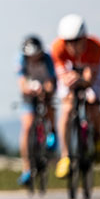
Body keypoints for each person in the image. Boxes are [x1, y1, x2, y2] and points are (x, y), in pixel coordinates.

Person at [51, 14, 100, 179]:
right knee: (67, 109)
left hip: (91, 71)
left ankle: (97, 136)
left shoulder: (95, 47)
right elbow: (62, 77)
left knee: (93, 103)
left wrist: (83, 81)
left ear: (84, 38)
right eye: (68, 42)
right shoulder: (57, 48)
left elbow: (90, 80)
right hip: (71, 71)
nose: (73, 46)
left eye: (77, 41)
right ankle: (65, 156)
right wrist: (70, 81)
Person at [16, 35, 57, 187]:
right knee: (27, 126)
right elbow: (21, 82)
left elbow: (51, 82)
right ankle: (26, 168)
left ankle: (53, 132)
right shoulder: (20, 59)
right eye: (30, 57)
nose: (33, 59)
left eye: (36, 56)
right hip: (29, 93)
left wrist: (45, 90)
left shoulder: (48, 58)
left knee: (50, 106)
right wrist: (29, 88)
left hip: (45, 89)